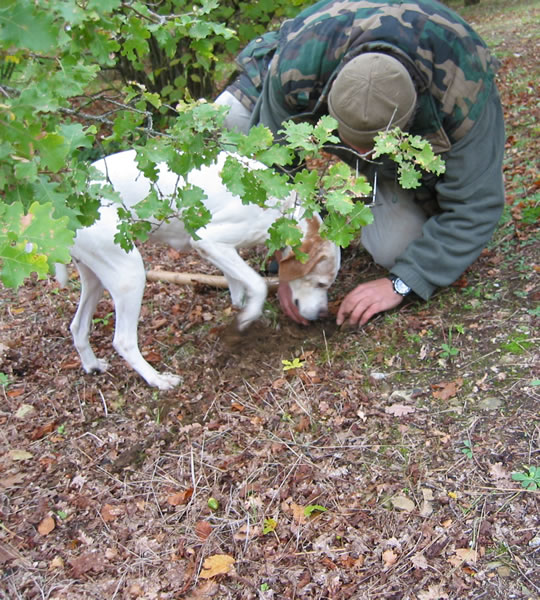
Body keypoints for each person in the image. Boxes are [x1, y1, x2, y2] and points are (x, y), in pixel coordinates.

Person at [215, 0, 505, 327]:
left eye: (367, 146)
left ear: (405, 125)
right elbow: (274, 166)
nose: (353, 154)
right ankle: (316, 213)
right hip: (309, 74)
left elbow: (475, 205)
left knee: (396, 249)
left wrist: (403, 281)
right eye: (347, 139)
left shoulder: (462, 89)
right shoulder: (299, 62)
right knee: (226, 117)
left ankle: (369, 195)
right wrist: (290, 262)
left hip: (423, 115)